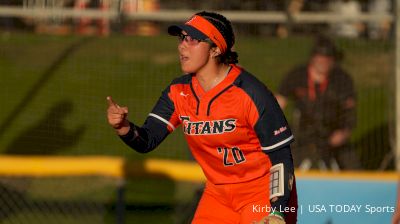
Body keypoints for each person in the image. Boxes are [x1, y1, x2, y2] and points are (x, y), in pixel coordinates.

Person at [107, 11, 297, 224]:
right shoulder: (178, 91)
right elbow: (147, 140)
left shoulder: (250, 93)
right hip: (218, 194)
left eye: (193, 39)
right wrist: (123, 127)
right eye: (181, 38)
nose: (182, 46)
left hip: (260, 192)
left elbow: (281, 156)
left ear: (216, 48)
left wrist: (278, 211)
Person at [276, 36, 359, 171]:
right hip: (301, 134)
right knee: (280, 165)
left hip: (331, 133)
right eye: (320, 57)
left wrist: (343, 133)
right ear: (313, 58)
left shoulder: (342, 79)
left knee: (353, 169)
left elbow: (350, 113)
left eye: (328, 58)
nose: (323, 61)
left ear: (333, 60)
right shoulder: (297, 76)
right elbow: (277, 104)